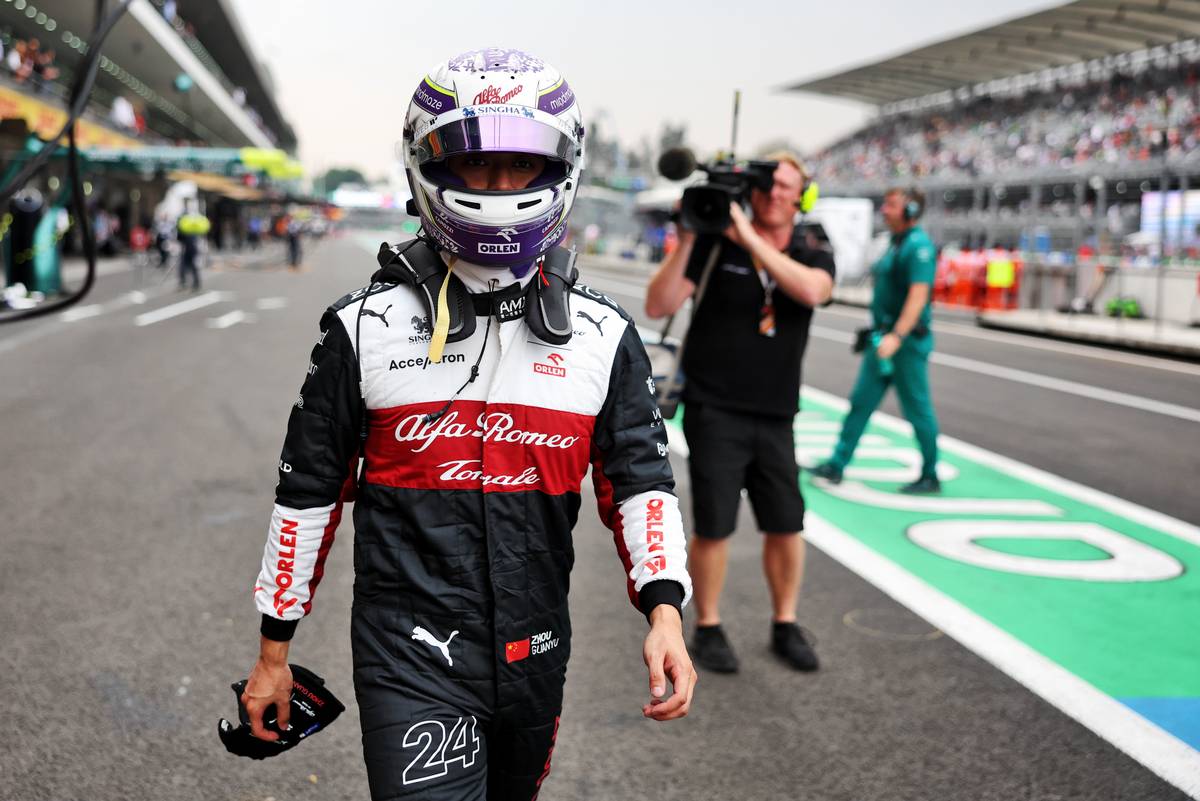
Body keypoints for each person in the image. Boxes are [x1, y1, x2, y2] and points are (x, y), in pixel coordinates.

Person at [241, 48, 696, 801]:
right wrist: (272, 649)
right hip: (409, 652)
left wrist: (666, 613)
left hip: (535, 648)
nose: (499, 188)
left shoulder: (603, 335)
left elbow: (642, 481)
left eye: (521, 166)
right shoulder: (363, 329)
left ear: (563, 168)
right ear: (427, 166)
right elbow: (308, 494)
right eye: (476, 167)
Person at [644, 153, 835, 675]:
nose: (775, 194)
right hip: (714, 409)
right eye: (766, 184)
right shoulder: (709, 240)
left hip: (776, 412)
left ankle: (785, 622)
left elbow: (814, 291)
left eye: (786, 187)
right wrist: (688, 238)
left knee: (786, 525)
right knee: (715, 527)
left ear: (802, 195)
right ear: (751, 189)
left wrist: (748, 239)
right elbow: (658, 305)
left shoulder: (812, 244)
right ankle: (708, 626)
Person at [810, 187, 941, 493]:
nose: (884, 210)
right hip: (881, 339)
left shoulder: (918, 247)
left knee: (917, 409)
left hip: (904, 343)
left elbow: (918, 296)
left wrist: (898, 335)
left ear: (910, 210)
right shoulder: (895, 244)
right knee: (860, 403)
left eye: (892, 205)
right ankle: (837, 463)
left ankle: (930, 472)